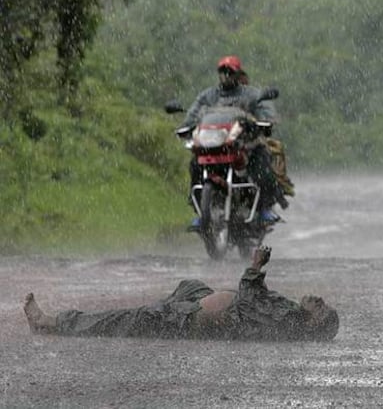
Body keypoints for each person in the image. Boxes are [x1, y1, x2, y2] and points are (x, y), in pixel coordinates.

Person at [24, 246, 339, 341]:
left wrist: (255, 265)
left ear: (313, 323)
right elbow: (256, 299)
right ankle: (158, 313)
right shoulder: (289, 317)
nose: (319, 301)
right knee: (190, 284)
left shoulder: (291, 319)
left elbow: (250, 294)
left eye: (322, 309)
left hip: (198, 319)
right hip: (207, 305)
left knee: (123, 319)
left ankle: (51, 323)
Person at [182, 55, 285, 230]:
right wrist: (186, 126)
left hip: (246, 144)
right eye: (222, 72)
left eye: (230, 72)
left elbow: (266, 110)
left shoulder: (251, 93)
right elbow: (194, 113)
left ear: (238, 74)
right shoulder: (209, 95)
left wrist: (266, 121)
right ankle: (201, 212)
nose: (226, 76)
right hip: (215, 145)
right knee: (195, 165)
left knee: (261, 164)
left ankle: (265, 208)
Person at [238, 70, 295, 200]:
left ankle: (269, 197)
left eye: (243, 82)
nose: (241, 85)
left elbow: (268, 114)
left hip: (252, 140)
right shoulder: (222, 98)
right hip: (227, 141)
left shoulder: (256, 97)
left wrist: (264, 122)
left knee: (267, 157)